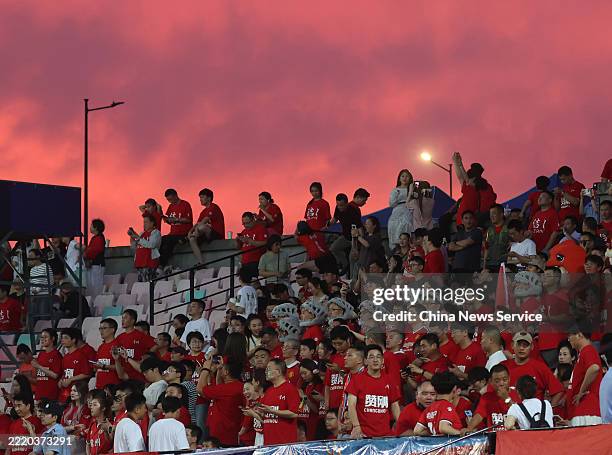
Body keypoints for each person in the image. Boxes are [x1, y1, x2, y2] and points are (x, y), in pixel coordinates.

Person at [502, 332, 564, 406]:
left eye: (525, 345)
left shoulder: (540, 367)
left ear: (532, 347)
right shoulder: (503, 366)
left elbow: (558, 390)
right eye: (519, 344)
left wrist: (548, 411)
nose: (522, 348)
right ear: (512, 345)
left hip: (533, 415)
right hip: (507, 414)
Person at [198, 359, 245, 446]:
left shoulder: (226, 389)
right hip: (231, 432)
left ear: (226, 372)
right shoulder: (239, 386)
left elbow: (200, 389)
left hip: (222, 435)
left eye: (222, 368)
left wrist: (205, 369)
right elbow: (219, 385)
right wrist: (220, 370)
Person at [255, 358, 300, 445]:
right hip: (268, 443)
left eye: (269, 369)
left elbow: (294, 413)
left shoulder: (290, 389)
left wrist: (272, 411)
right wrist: (256, 412)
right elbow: (265, 416)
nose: (266, 371)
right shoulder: (269, 391)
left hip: (284, 443)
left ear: (278, 372)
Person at [566, 324, 603, 425]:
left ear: (579, 335)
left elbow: (594, 368)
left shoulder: (588, 350)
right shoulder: (583, 353)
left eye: (570, 335)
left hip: (587, 410)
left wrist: (581, 392)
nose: (568, 339)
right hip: (583, 412)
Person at [328, 190, 369, 278]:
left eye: (342, 205)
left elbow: (359, 227)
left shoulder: (354, 210)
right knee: (333, 248)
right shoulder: (338, 208)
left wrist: (358, 244)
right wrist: (326, 225)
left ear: (347, 203)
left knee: (353, 259)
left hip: (354, 238)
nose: (340, 207)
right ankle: (344, 264)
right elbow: (334, 220)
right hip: (346, 236)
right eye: (364, 200)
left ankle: (351, 280)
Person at [468, 364, 520, 430]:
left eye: (504, 380)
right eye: (497, 381)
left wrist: (506, 398)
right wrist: (469, 428)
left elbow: (521, 415)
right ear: (490, 381)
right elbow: (479, 415)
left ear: (509, 379)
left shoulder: (518, 394)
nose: (501, 383)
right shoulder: (486, 397)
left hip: (513, 435)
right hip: (494, 436)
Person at [414, 372, 465, 436]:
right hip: (450, 445)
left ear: (435, 389)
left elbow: (417, 430)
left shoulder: (429, 408)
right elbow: (443, 428)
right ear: (454, 388)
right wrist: (461, 434)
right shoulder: (447, 406)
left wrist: (434, 435)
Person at [114, 309, 156, 382]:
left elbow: (155, 345)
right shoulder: (119, 337)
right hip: (125, 373)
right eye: (122, 318)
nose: (123, 320)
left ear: (133, 320)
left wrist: (146, 357)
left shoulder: (140, 335)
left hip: (138, 373)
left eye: (125, 318)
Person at [159, 188, 193, 271]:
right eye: (168, 200)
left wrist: (176, 219)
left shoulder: (185, 204)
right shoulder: (171, 206)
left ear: (175, 196)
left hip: (183, 233)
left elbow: (188, 219)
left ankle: (162, 264)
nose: (170, 201)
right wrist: (163, 216)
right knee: (161, 240)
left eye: (170, 199)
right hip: (173, 233)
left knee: (168, 241)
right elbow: (169, 221)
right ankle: (160, 264)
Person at [188, 188, 225, 264]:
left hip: (217, 234)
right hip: (205, 234)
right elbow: (197, 224)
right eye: (200, 197)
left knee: (203, 227)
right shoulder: (203, 212)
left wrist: (196, 231)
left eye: (202, 197)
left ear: (209, 198)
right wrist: (190, 232)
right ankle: (201, 262)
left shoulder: (214, 207)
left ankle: (197, 234)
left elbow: (204, 221)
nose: (200, 199)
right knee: (192, 239)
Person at [58, 328, 92, 403]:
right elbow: (65, 373)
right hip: (65, 393)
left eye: (66, 338)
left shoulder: (81, 355)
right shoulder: (65, 357)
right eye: (62, 338)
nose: (62, 340)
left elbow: (87, 374)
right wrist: (61, 380)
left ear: (73, 340)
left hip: (77, 393)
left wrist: (71, 379)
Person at [128, 214, 161, 282]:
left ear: (152, 223)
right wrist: (132, 236)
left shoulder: (156, 233)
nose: (144, 224)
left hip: (150, 263)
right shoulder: (141, 233)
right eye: (144, 222)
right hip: (140, 263)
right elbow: (133, 245)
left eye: (146, 222)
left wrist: (137, 238)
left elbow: (152, 244)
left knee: (149, 284)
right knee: (141, 285)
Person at [32, 328, 63, 401]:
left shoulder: (56, 355)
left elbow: (55, 375)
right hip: (39, 393)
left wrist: (38, 366)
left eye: (45, 337)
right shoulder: (41, 354)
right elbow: (38, 375)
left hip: (51, 395)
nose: (42, 339)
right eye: (41, 337)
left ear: (53, 339)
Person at [236, 212, 269, 281]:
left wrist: (251, 241)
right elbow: (239, 247)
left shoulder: (260, 229)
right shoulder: (244, 231)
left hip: (255, 262)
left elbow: (265, 243)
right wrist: (238, 241)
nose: (245, 225)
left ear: (253, 220)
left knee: (254, 282)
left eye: (247, 223)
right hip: (245, 263)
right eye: (244, 223)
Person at [387, 169, 414, 250]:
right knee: (393, 227)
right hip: (397, 210)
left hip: (409, 210)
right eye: (402, 176)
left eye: (407, 176)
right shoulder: (395, 190)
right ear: (399, 178)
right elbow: (392, 204)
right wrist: (397, 195)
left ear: (410, 178)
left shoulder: (412, 189)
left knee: (406, 226)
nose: (404, 178)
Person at [82, 219, 106, 300]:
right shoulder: (96, 238)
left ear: (95, 227)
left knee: (95, 288)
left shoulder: (99, 238)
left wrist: (85, 254)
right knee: (91, 287)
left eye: (91, 225)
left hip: (97, 265)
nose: (90, 227)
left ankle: (96, 303)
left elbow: (95, 250)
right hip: (93, 266)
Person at [85, 390, 113, 455]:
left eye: (95, 405)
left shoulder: (110, 424)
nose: (91, 407)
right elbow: (88, 444)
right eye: (91, 405)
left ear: (103, 408)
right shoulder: (92, 425)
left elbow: (114, 444)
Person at [483, 204, 509, 272]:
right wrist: (484, 267)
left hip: (504, 264)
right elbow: (486, 248)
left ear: (501, 214)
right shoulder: (489, 230)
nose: (491, 216)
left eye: (494, 213)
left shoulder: (509, 228)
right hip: (490, 264)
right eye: (490, 214)